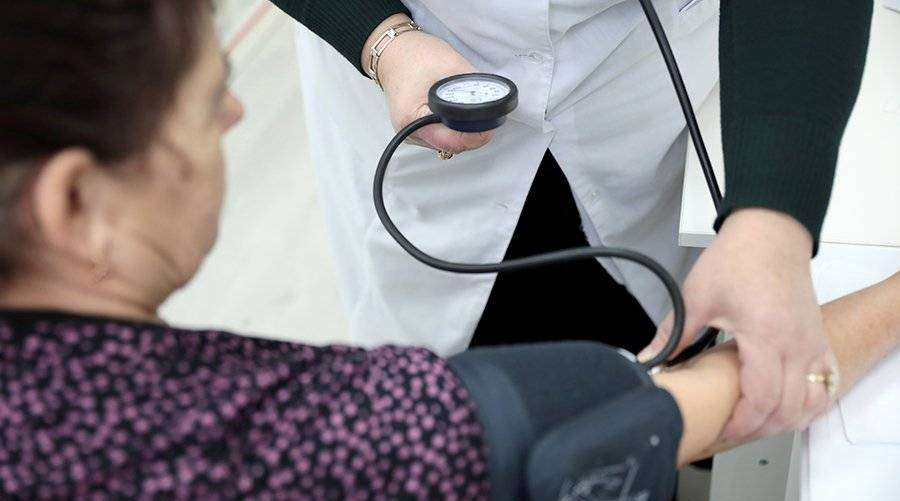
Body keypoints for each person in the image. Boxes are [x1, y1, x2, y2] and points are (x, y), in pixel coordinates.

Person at [2, 1, 897, 501]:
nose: (236, 113)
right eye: (209, 99)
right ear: (74, 200)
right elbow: (632, 416)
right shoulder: (311, 441)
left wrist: (771, 216)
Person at [272, 0, 873, 441]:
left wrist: (772, 221)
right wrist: (383, 37)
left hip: (636, 82)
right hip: (413, 62)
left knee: (641, 390)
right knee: (465, 427)